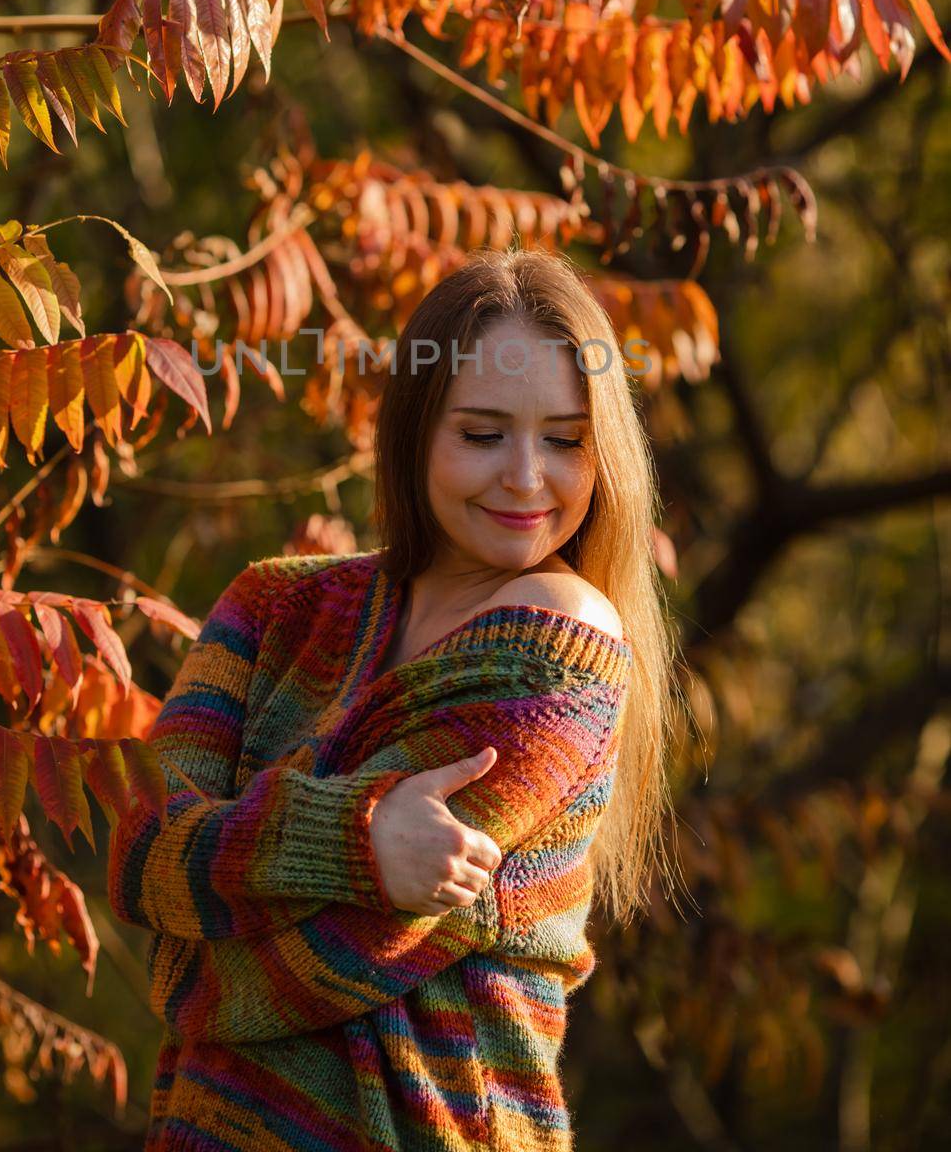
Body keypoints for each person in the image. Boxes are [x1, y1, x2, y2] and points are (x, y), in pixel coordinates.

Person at [108, 243, 678, 1150]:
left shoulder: (559, 637)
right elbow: (138, 847)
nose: (526, 478)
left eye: (566, 440)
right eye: (482, 434)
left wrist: (196, 949)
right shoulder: (272, 605)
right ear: (413, 431)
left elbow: (321, 958)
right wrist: (353, 839)